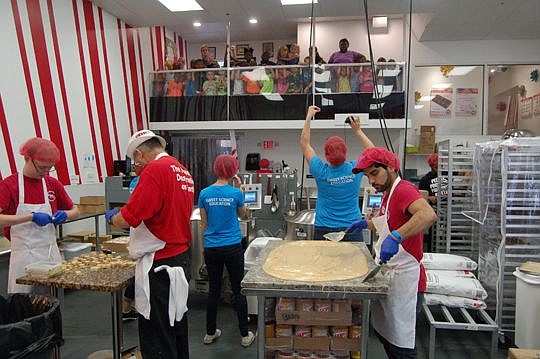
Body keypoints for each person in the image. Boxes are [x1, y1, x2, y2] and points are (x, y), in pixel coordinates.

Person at [106, 130, 194, 359]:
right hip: (180, 258)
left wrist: (112, 217)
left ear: (139, 153)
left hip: (161, 264)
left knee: (158, 335)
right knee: (176, 328)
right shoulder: (182, 170)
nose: (137, 167)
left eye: (136, 162)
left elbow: (128, 217)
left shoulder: (155, 170)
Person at [346, 147, 437, 359]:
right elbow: (391, 221)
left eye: (374, 173)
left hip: (407, 280)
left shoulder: (404, 190)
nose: (370, 181)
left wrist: (396, 237)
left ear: (391, 168)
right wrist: (367, 224)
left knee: (402, 347)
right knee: (389, 340)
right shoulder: (388, 193)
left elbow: (427, 215)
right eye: (367, 176)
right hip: (391, 276)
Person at [0, 137, 79, 293]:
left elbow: (76, 210)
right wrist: (30, 217)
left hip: (49, 253)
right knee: (23, 302)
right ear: (27, 158)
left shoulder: (52, 184)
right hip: (24, 255)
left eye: (49, 168)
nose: (45, 172)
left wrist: (66, 214)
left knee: (52, 299)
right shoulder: (9, 185)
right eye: (41, 167)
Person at [198, 155, 255, 348]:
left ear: (215, 169)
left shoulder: (204, 193)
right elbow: (244, 215)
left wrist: (205, 247)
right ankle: (245, 335)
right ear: (232, 171)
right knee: (238, 289)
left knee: (214, 290)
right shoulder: (235, 193)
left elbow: (204, 224)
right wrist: (240, 190)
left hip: (212, 247)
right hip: (232, 246)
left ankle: (210, 332)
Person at [300, 105, 375, 241]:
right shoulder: (355, 169)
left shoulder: (320, 170)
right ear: (345, 152)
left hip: (324, 228)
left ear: (326, 154)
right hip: (352, 227)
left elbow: (305, 144)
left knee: (324, 262)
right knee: (353, 262)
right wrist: (357, 130)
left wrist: (309, 116)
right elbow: (373, 152)